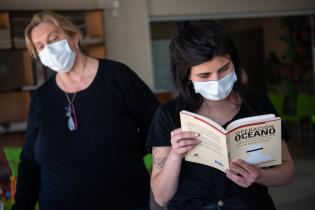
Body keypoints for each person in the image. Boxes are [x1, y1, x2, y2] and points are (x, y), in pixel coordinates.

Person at [12, 11, 159, 210]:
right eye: (40, 47)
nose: (49, 49)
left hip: (125, 202)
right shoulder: (41, 98)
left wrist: (127, 152)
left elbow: (158, 126)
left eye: (53, 39)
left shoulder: (117, 77)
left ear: (74, 38)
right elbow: (29, 162)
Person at [147, 20, 295, 210]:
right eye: (204, 76)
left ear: (234, 62)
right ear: (187, 77)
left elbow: (288, 171)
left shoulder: (258, 104)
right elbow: (161, 197)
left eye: (224, 69)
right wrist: (175, 155)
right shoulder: (168, 115)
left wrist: (260, 175)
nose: (216, 80)